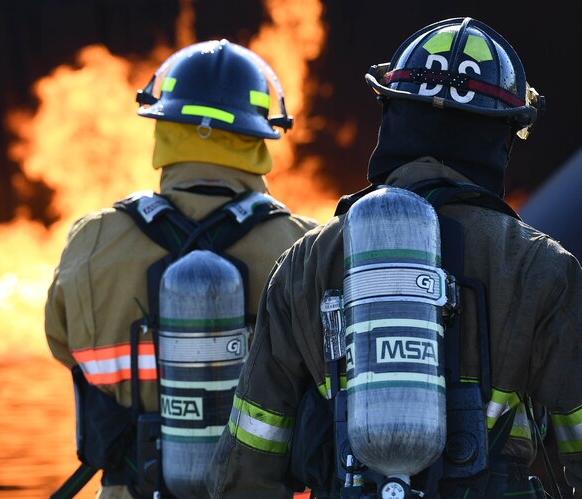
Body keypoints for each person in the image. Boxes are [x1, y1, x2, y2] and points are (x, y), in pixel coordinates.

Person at [206, 17, 582, 498]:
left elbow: (248, 463)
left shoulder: (307, 260)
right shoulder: (540, 267)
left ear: (392, 112)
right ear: (503, 135)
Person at [46, 39, 318, 498]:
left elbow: (61, 344)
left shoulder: (92, 240)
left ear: (163, 129)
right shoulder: (304, 246)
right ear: (259, 138)